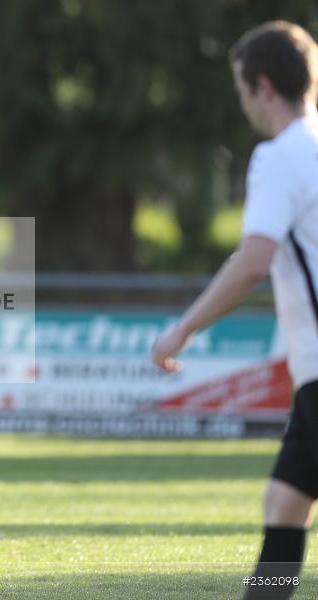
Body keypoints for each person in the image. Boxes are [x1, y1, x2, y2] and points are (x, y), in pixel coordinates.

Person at [152, 21, 318, 600]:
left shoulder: (280, 156)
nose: (243, 101)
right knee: (285, 504)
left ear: (264, 87)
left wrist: (182, 329)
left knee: (285, 507)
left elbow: (254, 261)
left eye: (243, 89)